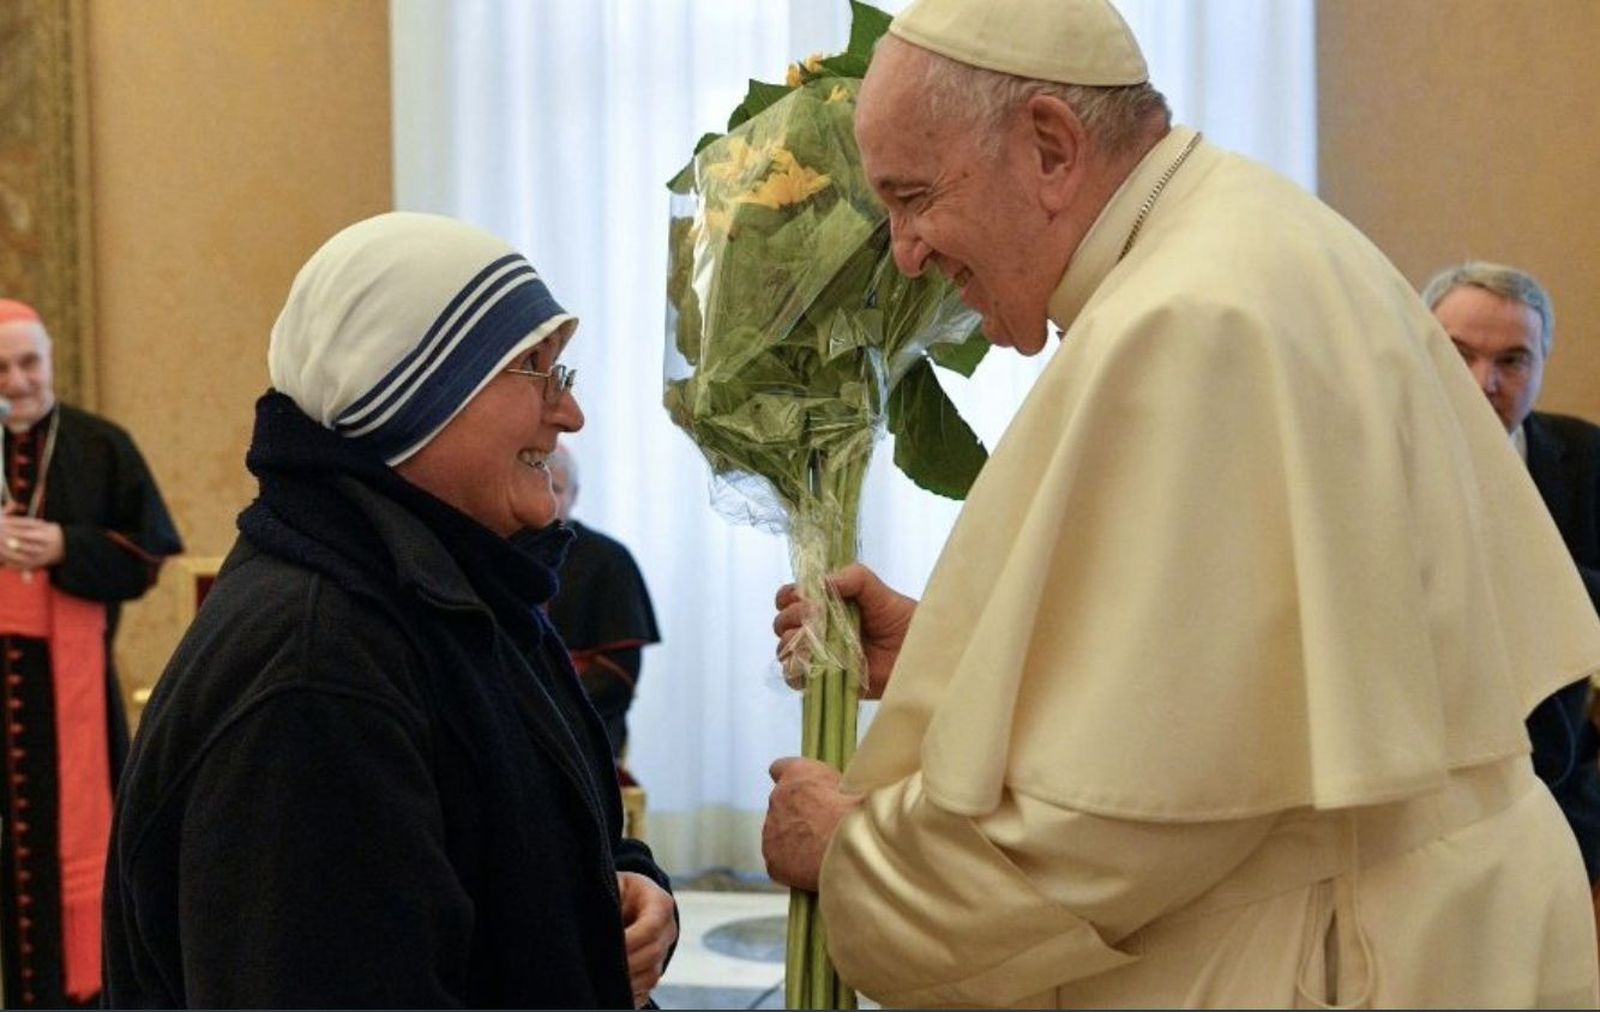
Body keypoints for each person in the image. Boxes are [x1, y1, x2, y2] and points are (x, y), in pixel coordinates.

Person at [761, 0, 1600, 1006]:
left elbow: (1109, 828)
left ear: (1049, 147)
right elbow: (1242, 677)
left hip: (1357, 949)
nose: (903, 251)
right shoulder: (1239, 236)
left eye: (914, 197)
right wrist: (957, 653)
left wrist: (854, 852)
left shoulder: (1188, 318)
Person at [101, 212, 677, 1008]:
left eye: (562, 373)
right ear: (412, 389)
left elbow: (511, 836)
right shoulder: (315, 670)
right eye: (534, 370)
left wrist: (620, 884)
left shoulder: (459, 590)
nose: (568, 413)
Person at [0, 299, 181, 1009]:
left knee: (82, 856)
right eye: (1, 369)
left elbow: (149, 553)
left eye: (29, 363)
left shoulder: (100, 444)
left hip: (70, 702)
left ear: (50, 362)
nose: (18, 382)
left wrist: (66, 546)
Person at [1423, 261, 1600, 883]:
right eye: (1458, 355)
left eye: (1513, 360)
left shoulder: (1586, 457)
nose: (1484, 382)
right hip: (1422, 796)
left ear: (1543, 365)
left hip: (1557, 785)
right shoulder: (1374, 461)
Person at [545, 443, 660, 761]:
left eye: (556, 488)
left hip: (585, 731)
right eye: (538, 483)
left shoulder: (608, 558)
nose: (546, 497)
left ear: (575, 494)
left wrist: (545, 702)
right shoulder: (499, 550)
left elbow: (617, 675)